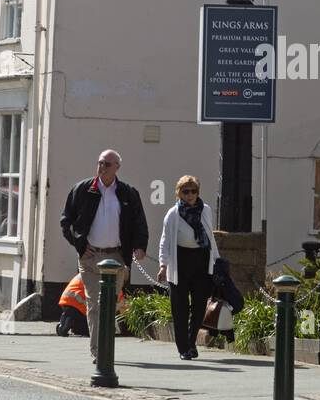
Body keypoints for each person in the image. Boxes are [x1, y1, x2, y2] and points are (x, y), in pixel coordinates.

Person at [59, 150, 149, 370]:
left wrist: (139, 247)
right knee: (95, 303)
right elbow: (66, 221)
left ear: (117, 166)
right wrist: (79, 244)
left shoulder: (128, 193)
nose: (102, 167)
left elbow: (139, 222)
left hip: (117, 256)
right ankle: (98, 351)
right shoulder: (82, 190)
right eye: (99, 163)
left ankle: (105, 346)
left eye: (107, 164)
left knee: (109, 305)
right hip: (90, 257)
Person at [157, 175, 220, 359]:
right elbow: (165, 241)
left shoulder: (206, 210)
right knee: (180, 308)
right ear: (179, 193)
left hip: (201, 259)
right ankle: (183, 348)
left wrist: (216, 261)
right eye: (186, 191)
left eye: (194, 191)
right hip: (180, 261)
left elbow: (210, 236)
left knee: (200, 305)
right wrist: (163, 265)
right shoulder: (173, 213)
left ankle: (192, 343)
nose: (190, 195)